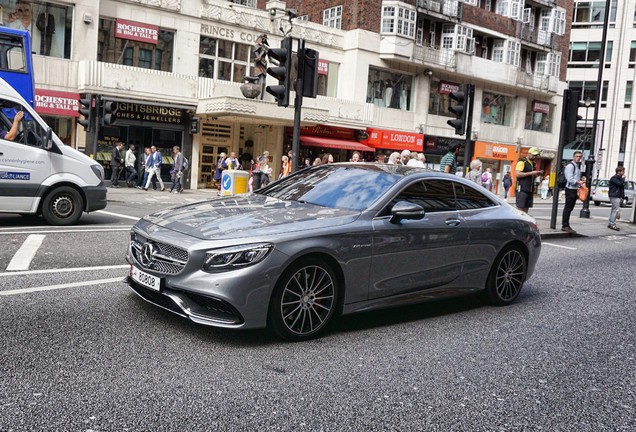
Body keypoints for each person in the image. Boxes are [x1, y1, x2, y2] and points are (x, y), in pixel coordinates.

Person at [561, 150, 584, 234]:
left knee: (570, 208)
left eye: (580, 157)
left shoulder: (577, 166)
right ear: (573, 157)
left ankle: (566, 225)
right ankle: (565, 225)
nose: (578, 158)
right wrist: (578, 182)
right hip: (570, 189)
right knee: (568, 208)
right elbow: (569, 179)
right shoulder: (571, 166)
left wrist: (580, 182)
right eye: (577, 156)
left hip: (574, 189)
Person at [515, 147, 543, 213]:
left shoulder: (533, 163)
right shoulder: (522, 162)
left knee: (526, 208)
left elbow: (532, 176)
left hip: (530, 189)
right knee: (521, 209)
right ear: (529, 154)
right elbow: (518, 174)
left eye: (536, 155)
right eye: (533, 155)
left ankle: (525, 222)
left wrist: (537, 174)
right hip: (522, 189)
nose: (535, 157)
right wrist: (532, 173)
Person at [608, 166, 626, 231]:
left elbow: (622, 188)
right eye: (623, 171)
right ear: (619, 172)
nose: (624, 173)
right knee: (615, 210)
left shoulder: (619, 178)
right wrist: (623, 179)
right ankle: (612, 224)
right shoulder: (614, 178)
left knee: (613, 210)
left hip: (617, 196)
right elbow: (620, 184)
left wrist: (623, 197)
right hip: (614, 195)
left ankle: (611, 223)